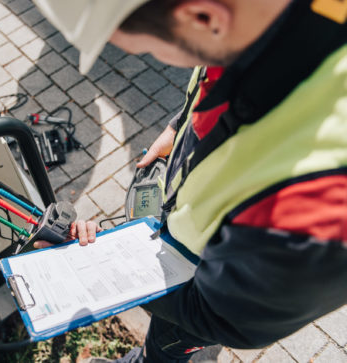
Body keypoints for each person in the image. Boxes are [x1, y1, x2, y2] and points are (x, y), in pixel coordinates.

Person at [33, 0, 347, 361]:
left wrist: (93, 273)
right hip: (190, 260)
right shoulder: (252, 19)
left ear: (202, 16)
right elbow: (218, 78)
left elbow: (227, 317)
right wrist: (180, 124)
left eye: (149, 50)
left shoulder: (325, 199)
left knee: (173, 346)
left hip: (200, 296)